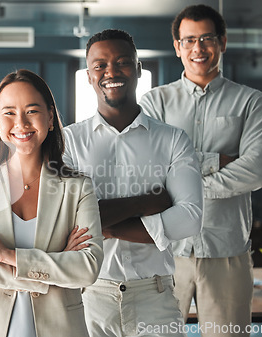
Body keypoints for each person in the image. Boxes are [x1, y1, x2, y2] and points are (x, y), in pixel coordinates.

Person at [0, 69, 104, 337]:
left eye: (32, 111)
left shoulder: (78, 188)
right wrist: (57, 264)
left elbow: (87, 269)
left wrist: (7, 255)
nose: (21, 123)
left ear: (50, 118)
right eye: (9, 112)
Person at [139, 5, 262, 336]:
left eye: (207, 38)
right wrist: (220, 160)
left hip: (226, 251)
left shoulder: (250, 102)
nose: (198, 48)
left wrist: (183, 180)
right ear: (177, 47)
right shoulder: (155, 102)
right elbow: (150, 167)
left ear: (222, 42)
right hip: (165, 252)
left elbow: (258, 170)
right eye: (189, 40)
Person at [63, 29, 203, 337]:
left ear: (138, 69)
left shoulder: (173, 140)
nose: (111, 72)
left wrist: (103, 227)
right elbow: (65, 220)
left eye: (122, 62)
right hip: (89, 298)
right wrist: (145, 203)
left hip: (156, 298)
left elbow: (189, 219)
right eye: (100, 65)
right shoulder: (68, 142)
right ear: (88, 76)